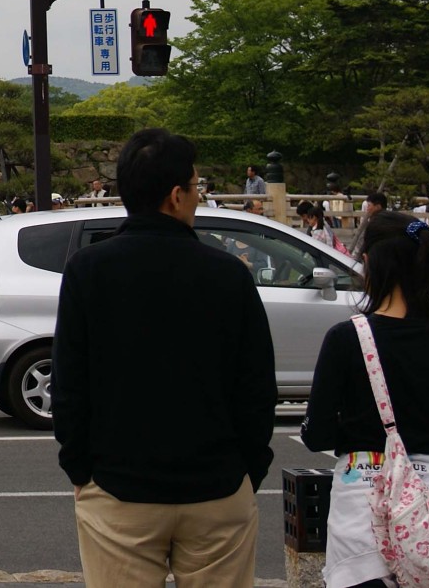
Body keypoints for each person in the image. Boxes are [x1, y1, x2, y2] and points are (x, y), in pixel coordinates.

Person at [52, 127, 276, 588]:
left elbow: (70, 383)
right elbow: (256, 387)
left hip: (118, 487)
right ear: (176, 196)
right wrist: (249, 470)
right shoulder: (227, 274)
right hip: (218, 488)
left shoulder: (88, 270)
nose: (198, 196)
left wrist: (80, 469)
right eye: (197, 187)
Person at [301, 212, 429, 588]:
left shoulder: (345, 339)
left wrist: (356, 431)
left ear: (373, 263)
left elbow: (317, 436)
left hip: (362, 509)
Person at [351, 192, 388, 260]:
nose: (367, 209)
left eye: (369, 205)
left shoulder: (374, 225)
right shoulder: (390, 221)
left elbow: (361, 246)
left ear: (378, 207)